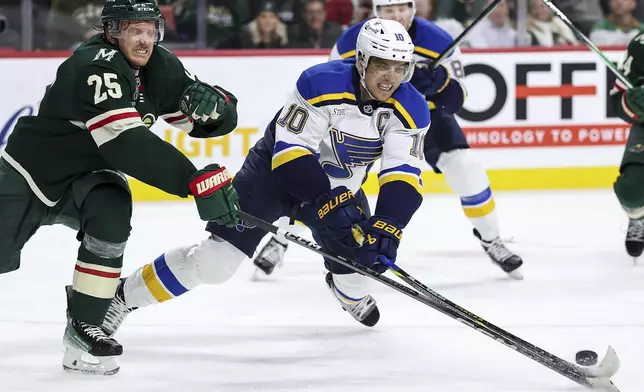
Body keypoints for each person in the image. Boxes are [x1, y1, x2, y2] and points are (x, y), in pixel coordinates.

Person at [96, 18, 431, 346]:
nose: (390, 78)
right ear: (360, 61)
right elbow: (290, 155)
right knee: (215, 264)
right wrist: (326, 199)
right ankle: (123, 295)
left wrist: (390, 223)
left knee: (360, 272)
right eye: (382, 65)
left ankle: (346, 289)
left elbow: (403, 173)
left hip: (341, 191)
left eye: (400, 68)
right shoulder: (320, 83)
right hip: (273, 176)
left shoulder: (412, 106)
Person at [0, 0, 239, 375]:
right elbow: (124, 143)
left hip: (91, 175)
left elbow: (209, 124)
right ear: (112, 32)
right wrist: (189, 181)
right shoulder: (94, 64)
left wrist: (217, 106)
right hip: (30, 176)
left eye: (151, 30)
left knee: (112, 210)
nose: (145, 41)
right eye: (134, 31)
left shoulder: (160, 65)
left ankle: (84, 326)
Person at [253, 0, 524, 280]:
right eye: (387, 10)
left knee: (466, 166)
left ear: (414, 9)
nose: (397, 16)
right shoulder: (352, 40)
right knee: (330, 181)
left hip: (420, 120)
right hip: (362, 119)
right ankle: (282, 238)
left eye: (403, 8)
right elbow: (334, 86)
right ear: (375, 12)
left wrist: (439, 83)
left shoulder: (437, 40)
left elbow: (457, 100)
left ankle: (492, 239)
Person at [609, 32, 644, 262]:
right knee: (631, 191)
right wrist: (632, 103)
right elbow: (617, 100)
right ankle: (638, 218)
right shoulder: (641, 46)